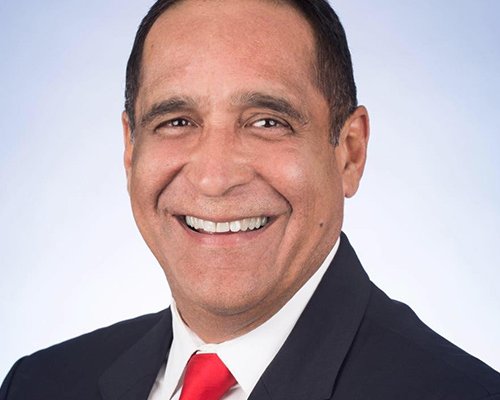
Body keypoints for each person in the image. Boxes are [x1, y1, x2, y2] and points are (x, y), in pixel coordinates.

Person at [1, 0, 499, 399]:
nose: (214, 179)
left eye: (267, 122)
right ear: (131, 151)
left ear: (350, 152)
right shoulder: (38, 384)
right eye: (177, 122)